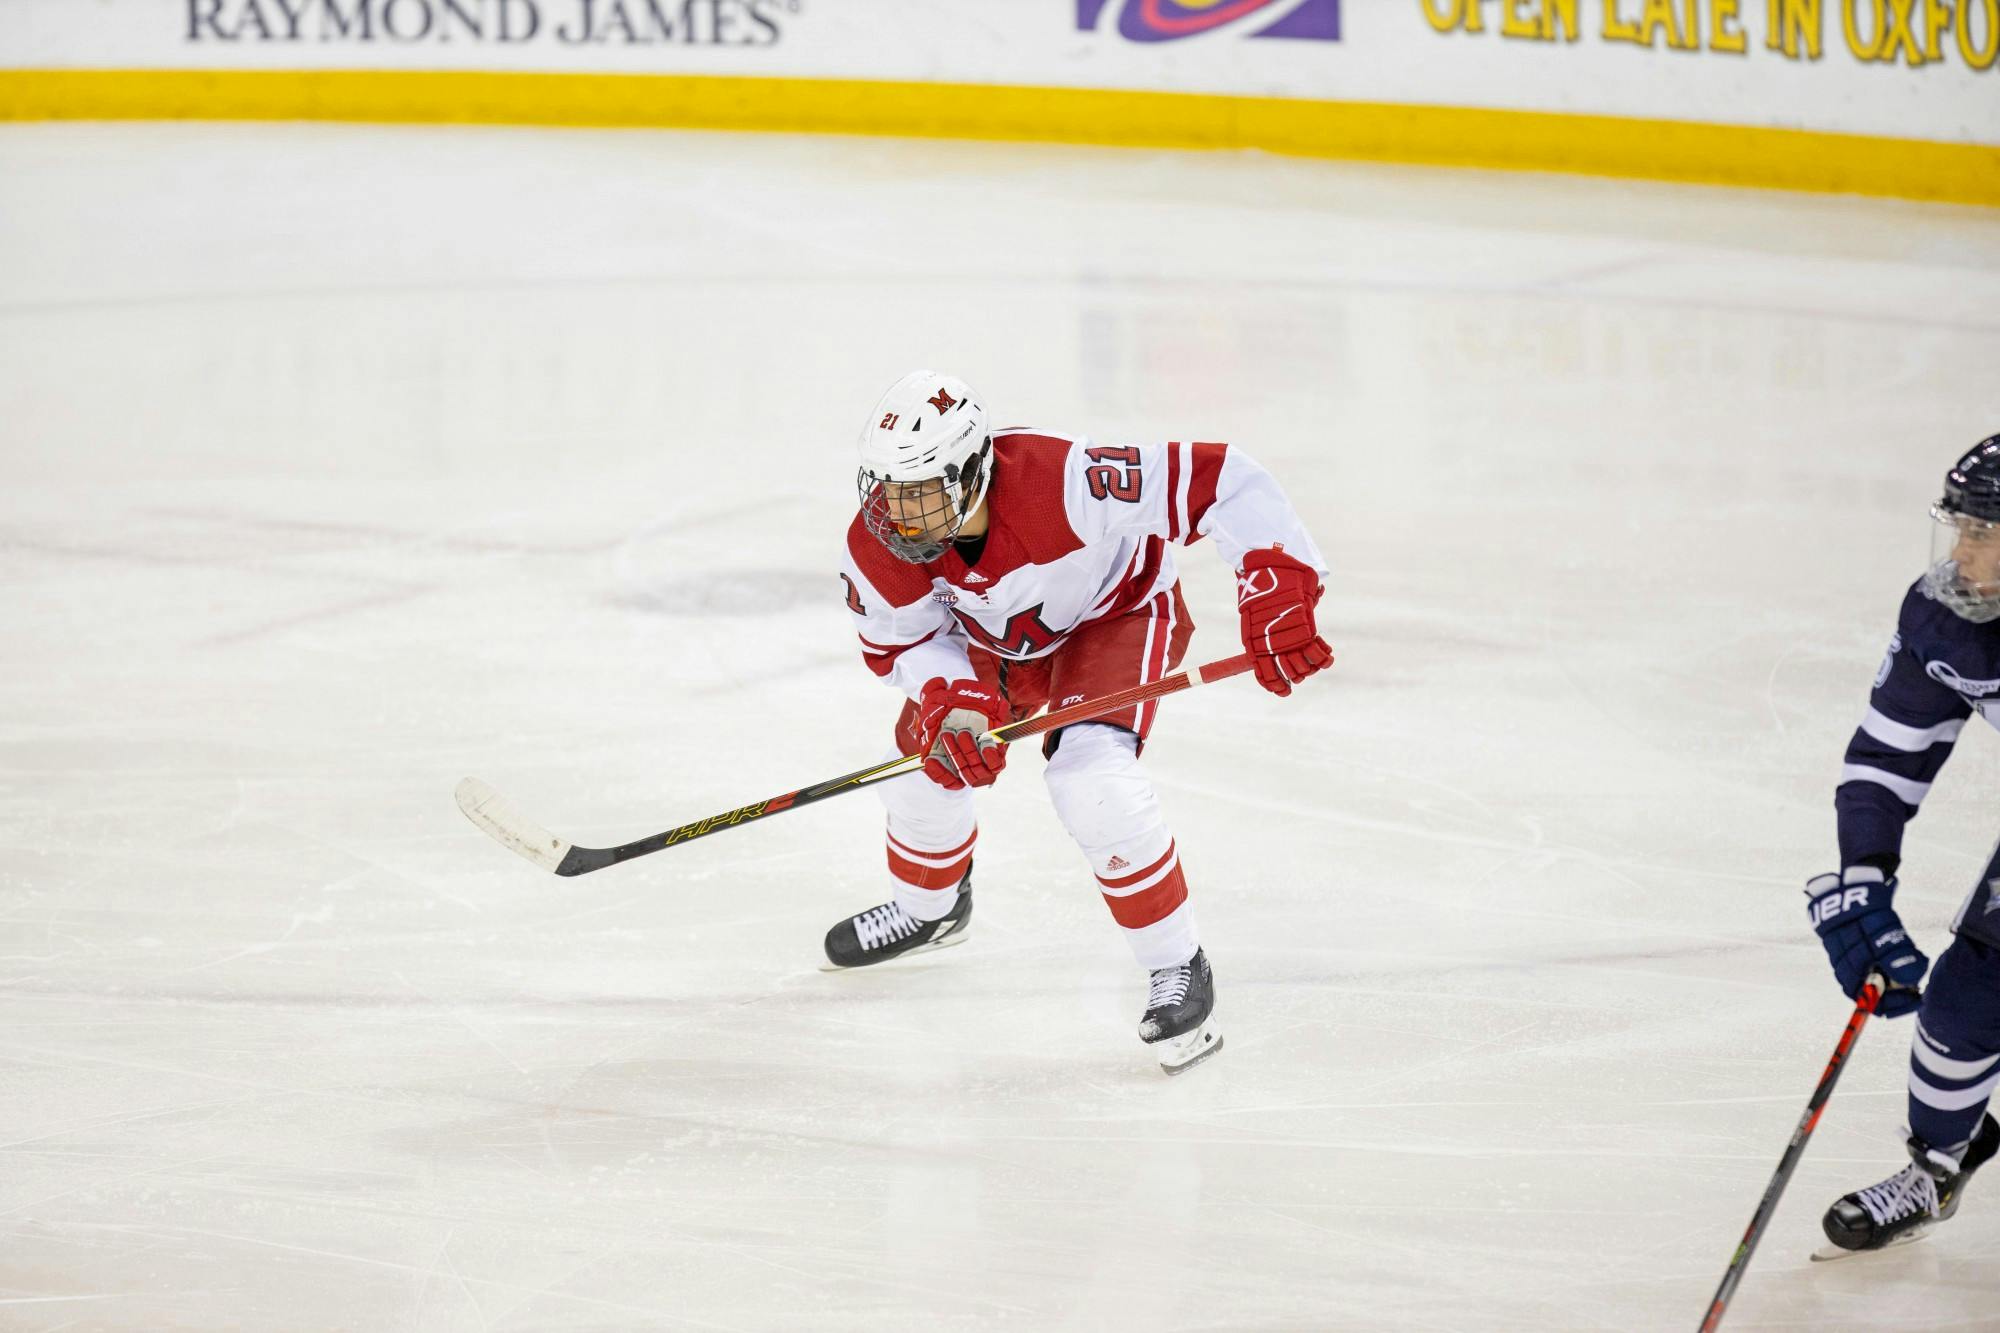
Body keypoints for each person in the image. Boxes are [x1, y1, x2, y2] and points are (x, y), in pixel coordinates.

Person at [825, 370, 1332, 1073]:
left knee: (1091, 779)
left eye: (920, 490)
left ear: (974, 471)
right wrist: (949, 694)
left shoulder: (1063, 479)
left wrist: (1277, 577)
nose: (897, 514)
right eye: (886, 489)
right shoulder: (878, 542)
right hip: (996, 641)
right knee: (919, 773)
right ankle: (929, 908)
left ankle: (1178, 966)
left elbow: (1223, 480)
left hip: (1114, 618)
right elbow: (901, 640)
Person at [1810, 432, 2000, 1253]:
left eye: (1984, 533)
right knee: (1967, 1000)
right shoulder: (1946, 618)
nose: (1961, 551)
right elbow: (1891, 753)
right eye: (1958, 525)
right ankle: (1936, 1168)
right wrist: (1864, 873)